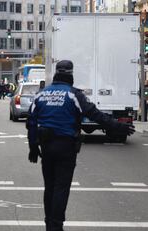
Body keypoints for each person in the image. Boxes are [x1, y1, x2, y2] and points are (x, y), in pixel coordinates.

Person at [26, 60, 135, 231]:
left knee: (50, 187)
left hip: (46, 147)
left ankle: (49, 223)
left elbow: (31, 121)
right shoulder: (74, 95)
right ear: (71, 74)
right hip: (66, 146)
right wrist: (118, 126)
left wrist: (33, 146)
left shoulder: (41, 94)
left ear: (56, 73)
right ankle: (56, 225)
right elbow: (95, 114)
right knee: (62, 187)